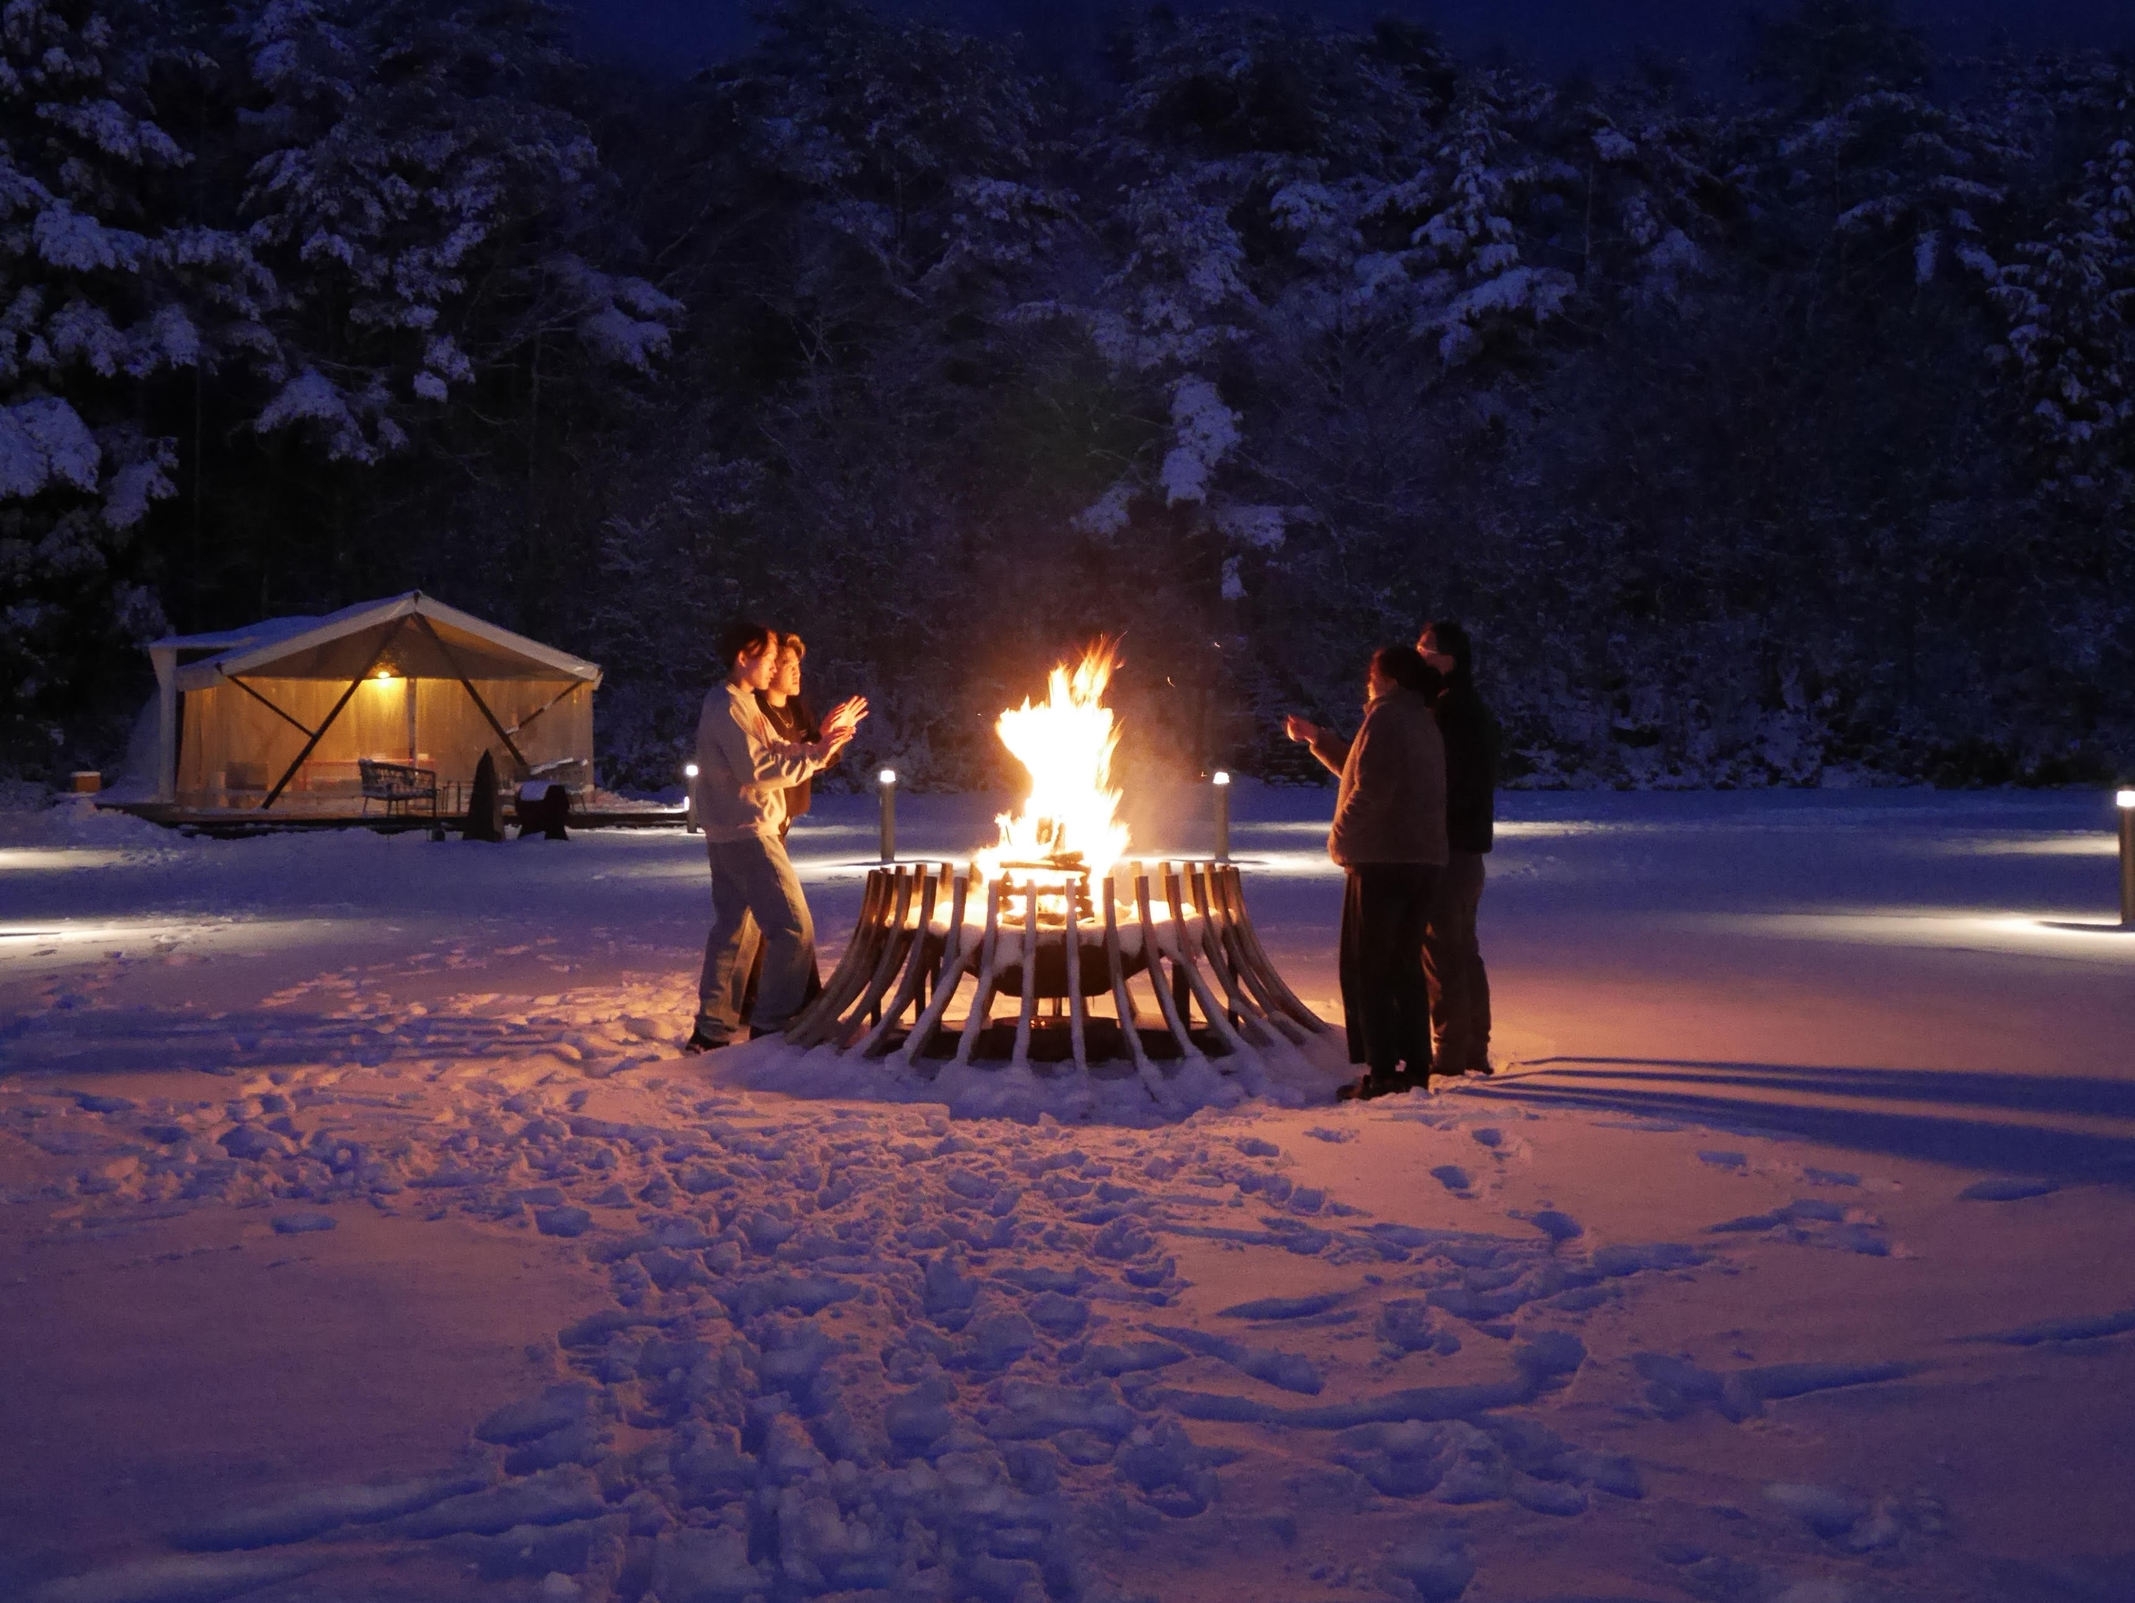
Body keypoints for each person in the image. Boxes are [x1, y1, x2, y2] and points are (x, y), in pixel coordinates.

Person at [686, 621, 866, 1052]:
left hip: (733, 830)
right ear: (743, 657)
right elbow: (758, 769)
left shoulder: (738, 702)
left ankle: (712, 1031)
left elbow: (777, 750)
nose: (774, 666)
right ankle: (773, 1026)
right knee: (792, 928)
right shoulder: (728, 706)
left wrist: (820, 745)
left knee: (736, 929)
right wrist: (819, 753)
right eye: (768, 658)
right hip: (748, 831)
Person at [1285, 646, 1448, 1098]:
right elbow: (1363, 772)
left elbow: (1371, 790)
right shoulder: (1419, 719)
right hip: (1421, 861)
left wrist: (1340, 837)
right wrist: (1316, 738)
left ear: (1388, 678)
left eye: (1370, 673)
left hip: (1382, 861)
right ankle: (1414, 1066)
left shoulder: (1387, 718)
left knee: (1369, 968)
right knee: (1402, 966)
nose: (1366, 683)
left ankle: (1381, 1072)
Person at [1417, 619, 1498, 1075]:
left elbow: (1432, 780)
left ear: (1452, 660)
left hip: (1447, 850)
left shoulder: (1449, 713)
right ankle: (1472, 1047)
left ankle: (1451, 1053)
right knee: (1462, 950)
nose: (1421, 655)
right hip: (1466, 851)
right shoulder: (1468, 709)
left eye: (1429, 649)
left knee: (1443, 954)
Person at [741, 633, 828, 1017]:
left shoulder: (797, 711)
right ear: (771, 669)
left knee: (768, 915)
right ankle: (784, 1001)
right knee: (785, 917)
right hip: (759, 822)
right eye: (789, 666)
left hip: (782, 820)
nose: (796, 674)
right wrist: (822, 744)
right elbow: (774, 764)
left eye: (798, 667)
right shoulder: (756, 714)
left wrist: (830, 737)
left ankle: (762, 998)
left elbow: (819, 756)